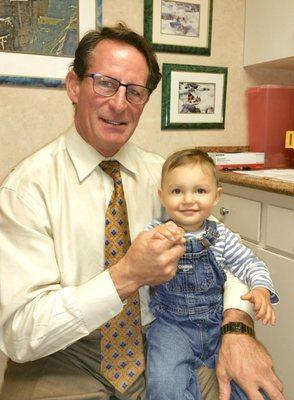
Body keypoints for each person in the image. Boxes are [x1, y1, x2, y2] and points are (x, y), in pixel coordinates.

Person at [0, 23, 284, 400]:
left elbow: (224, 256)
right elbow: (19, 335)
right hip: (63, 357)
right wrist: (126, 276)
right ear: (73, 86)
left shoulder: (166, 178)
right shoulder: (27, 189)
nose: (119, 103)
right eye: (105, 83)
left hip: (162, 340)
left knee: (260, 391)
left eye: (135, 91)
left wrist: (237, 327)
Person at [144, 148, 279, 400]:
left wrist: (261, 288)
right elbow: (141, 260)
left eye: (200, 191)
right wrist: (157, 244)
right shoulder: (155, 231)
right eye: (177, 191)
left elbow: (250, 263)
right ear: (162, 196)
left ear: (216, 197)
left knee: (251, 387)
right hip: (172, 328)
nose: (188, 199)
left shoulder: (222, 236)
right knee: (164, 384)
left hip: (216, 325)